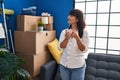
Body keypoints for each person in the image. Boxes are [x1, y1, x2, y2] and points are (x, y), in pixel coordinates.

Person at [58, 9, 89, 80]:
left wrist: (77, 38)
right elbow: (60, 47)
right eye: (69, 15)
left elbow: (84, 50)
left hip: (78, 67)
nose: (68, 17)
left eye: (71, 15)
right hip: (64, 65)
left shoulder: (85, 33)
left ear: (77, 19)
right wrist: (66, 38)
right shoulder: (64, 32)